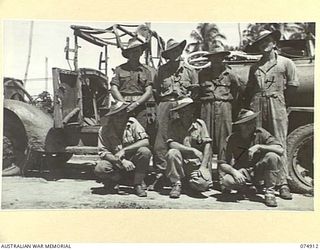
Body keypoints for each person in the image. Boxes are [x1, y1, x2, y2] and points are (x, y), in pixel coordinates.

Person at [244, 30, 299, 199]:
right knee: (258, 139)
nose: (264, 44)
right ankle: (260, 181)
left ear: (274, 43)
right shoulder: (255, 67)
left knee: (279, 140)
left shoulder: (286, 63)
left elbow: (293, 86)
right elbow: (250, 88)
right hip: (258, 103)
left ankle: (282, 183)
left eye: (268, 40)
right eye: (261, 42)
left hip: (277, 103)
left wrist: (281, 102)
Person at [220, 109, 289, 207]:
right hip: (243, 172)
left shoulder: (261, 133)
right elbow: (222, 163)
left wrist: (259, 146)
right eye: (246, 123)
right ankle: (248, 188)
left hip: (259, 170)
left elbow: (280, 150)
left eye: (252, 122)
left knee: (272, 156)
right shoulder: (232, 138)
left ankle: (269, 193)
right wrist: (234, 172)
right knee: (227, 181)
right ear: (240, 125)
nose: (250, 125)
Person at [153, 39, 199, 178]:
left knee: (184, 137)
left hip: (184, 105)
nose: (176, 53)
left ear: (181, 51)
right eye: (172, 51)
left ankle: (186, 171)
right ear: (168, 54)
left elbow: (195, 91)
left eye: (178, 50)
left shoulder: (190, 71)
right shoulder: (161, 70)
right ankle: (161, 172)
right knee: (161, 139)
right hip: (166, 103)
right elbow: (155, 90)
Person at [93, 101, 152, 197]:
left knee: (145, 152)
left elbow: (145, 141)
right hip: (116, 163)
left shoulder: (133, 123)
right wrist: (121, 161)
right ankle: (117, 180)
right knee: (100, 168)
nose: (119, 118)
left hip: (133, 161)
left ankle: (137, 184)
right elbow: (103, 153)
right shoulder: (104, 130)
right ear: (111, 117)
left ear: (126, 115)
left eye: (122, 115)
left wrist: (124, 150)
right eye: (116, 116)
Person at [198, 47, 241, 160]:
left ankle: (224, 169)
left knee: (225, 138)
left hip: (224, 106)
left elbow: (236, 91)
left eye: (219, 57)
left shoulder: (230, 74)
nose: (217, 60)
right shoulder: (202, 74)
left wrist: (228, 104)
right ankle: (206, 171)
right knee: (206, 137)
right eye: (214, 57)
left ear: (223, 58)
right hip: (207, 107)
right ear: (210, 59)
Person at [165, 97, 213, 198]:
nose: (184, 113)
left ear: (192, 110)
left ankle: (189, 184)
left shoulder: (200, 124)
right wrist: (192, 149)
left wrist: (203, 167)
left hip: (195, 164)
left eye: (187, 110)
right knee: (172, 152)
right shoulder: (174, 124)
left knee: (203, 185)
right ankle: (176, 184)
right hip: (180, 163)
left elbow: (207, 145)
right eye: (181, 111)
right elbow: (171, 143)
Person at [110, 37, 154, 130]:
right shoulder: (119, 69)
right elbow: (114, 88)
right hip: (122, 107)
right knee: (122, 131)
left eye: (137, 51)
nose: (135, 54)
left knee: (141, 131)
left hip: (140, 107)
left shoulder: (146, 71)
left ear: (141, 53)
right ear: (128, 54)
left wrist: (136, 104)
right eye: (132, 51)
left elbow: (149, 92)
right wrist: (123, 104)